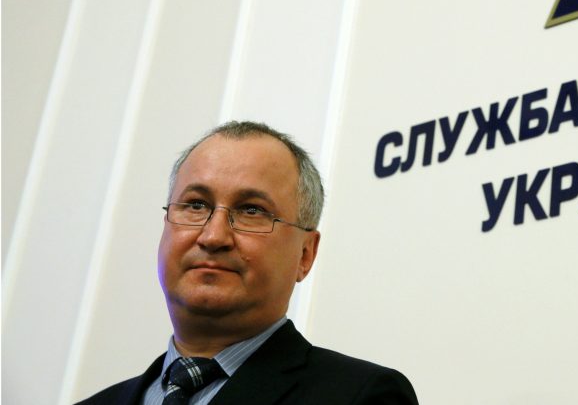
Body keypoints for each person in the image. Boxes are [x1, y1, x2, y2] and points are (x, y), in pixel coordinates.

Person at [77, 121, 418, 405]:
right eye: (195, 205)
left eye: (251, 210)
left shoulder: (361, 396)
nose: (213, 236)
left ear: (305, 254)